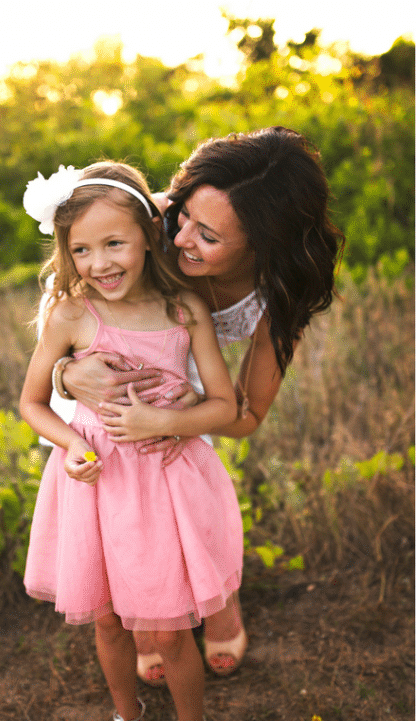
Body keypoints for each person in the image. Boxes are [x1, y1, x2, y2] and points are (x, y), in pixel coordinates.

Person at [54, 127, 344, 685]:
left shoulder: (279, 292)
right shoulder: (146, 222)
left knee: (191, 497)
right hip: (115, 366)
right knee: (124, 499)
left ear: (264, 244)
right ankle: (148, 615)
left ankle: (218, 602)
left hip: (192, 387)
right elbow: (68, 303)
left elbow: (248, 416)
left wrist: (180, 420)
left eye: (207, 236)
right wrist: (71, 377)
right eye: (183, 214)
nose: (181, 236)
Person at [19, 161, 245, 721]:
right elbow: (31, 403)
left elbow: (224, 404)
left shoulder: (183, 310)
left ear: (149, 235)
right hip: (97, 485)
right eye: (81, 251)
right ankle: (127, 713)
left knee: (168, 630)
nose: (99, 264)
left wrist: (163, 423)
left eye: (114, 243)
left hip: (164, 485)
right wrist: (72, 445)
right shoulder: (71, 314)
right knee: (108, 619)